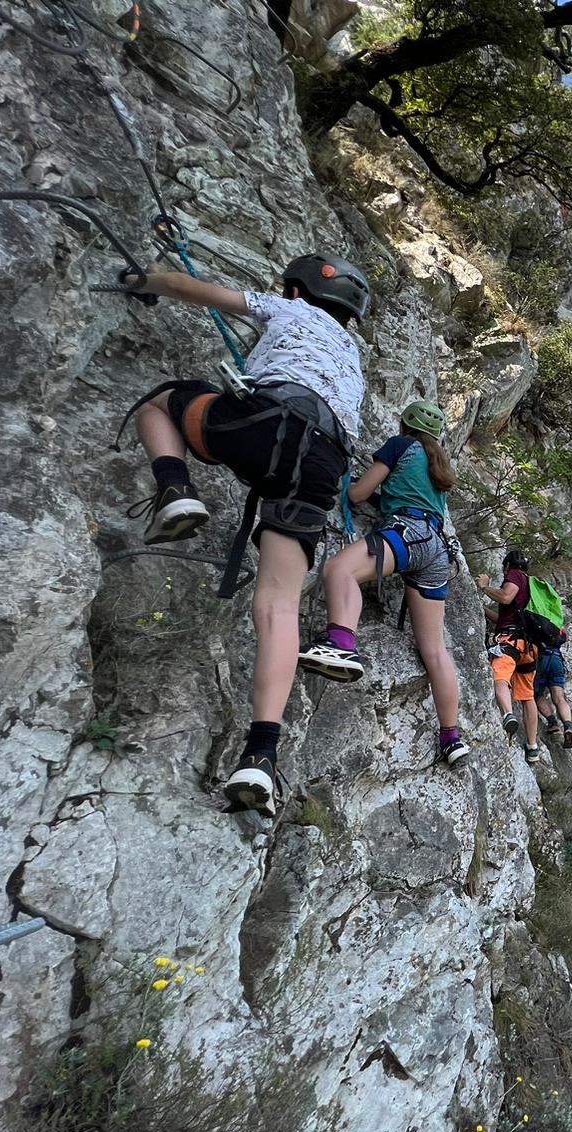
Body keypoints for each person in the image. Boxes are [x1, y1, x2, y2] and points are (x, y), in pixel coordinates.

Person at [122, 255, 368, 815]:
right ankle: (260, 754)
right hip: (323, 463)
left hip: (265, 422)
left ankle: (175, 488)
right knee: (279, 607)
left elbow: (190, 286)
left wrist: (141, 280)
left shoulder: (287, 307)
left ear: (297, 288)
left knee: (162, 402)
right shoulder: (352, 353)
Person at [296, 400, 469, 766]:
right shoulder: (438, 464)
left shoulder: (398, 445)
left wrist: (353, 487)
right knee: (435, 651)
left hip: (406, 533)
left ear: (404, 425)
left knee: (340, 570)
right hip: (436, 549)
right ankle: (452, 738)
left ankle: (340, 641)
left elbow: (358, 493)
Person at [477, 549, 540, 764]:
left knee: (500, 677)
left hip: (509, 642)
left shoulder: (514, 575)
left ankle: (507, 714)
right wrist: (484, 611)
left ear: (506, 566)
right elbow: (507, 616)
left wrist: (484, 587)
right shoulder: (531, 585)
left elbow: (505, 596)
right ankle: (532, 747)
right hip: (528, 647)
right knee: (527, 696)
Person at [534, 641, 572, 747]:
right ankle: (568, 726)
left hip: (540, 658)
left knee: (537, 695)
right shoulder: (557, 624)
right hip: (556, 658)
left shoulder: (537, 624)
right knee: (559, 698)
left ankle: (553, 722)